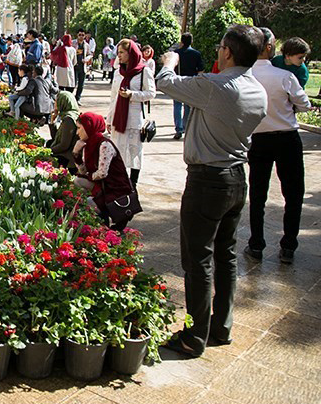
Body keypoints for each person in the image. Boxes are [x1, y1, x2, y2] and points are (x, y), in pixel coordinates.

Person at [156, 24, 267, 359]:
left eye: (221, 46)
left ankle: (194, 337)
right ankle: (221, 326)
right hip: (236, 179)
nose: (219, 50)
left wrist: (169, 61)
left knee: (198, 260)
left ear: (227, 52)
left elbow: (165, 83)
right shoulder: (257, 90)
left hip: (207, 181)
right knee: (226, 255)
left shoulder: (216, 86)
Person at [245, 37, 311, 264]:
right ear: (269, 47)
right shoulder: (284, 76)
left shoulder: (246, 76)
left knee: (257, 194)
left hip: (258, 139)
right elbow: (304, 104)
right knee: (293, 194)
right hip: (286, 138)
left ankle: (256, 244)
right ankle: (289, 246)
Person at [72, 112, 136, 231]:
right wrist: (76, 154)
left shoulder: (104, 144)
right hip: (103, 184)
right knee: (78, 181)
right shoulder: (89, 144)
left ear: (88, 127)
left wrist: (88, 175)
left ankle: (104, 222)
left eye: (79, 128)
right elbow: (83, 171)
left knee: (89, 202)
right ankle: (101, 211)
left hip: (115, 187)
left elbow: (102, 173)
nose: (77, 132)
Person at [106, 39, 155, 188]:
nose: (119, 56)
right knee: (117, 151)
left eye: (122, 52)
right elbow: (113, 97)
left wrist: (132, 94)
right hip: (118, 118)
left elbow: (151, 93)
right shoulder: (118, 73)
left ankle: (133, 183)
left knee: (134, 151)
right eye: (118, 52)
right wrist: (109, 119)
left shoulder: (143, 71)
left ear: (131, 53)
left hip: (134, 118)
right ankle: (119, 182)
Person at [173, 33, 205, 140]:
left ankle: (178, 129)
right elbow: (200, 70)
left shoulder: (176, 53)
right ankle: (185, 127)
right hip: (190, 82)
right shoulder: (196, 54)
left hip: (178, 81)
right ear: (192, 41)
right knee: (188, 106)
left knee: (177, 106)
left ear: (181, 41)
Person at [48, 91, 80, 172]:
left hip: (67, 158)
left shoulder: (69, 119)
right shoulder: (67, 115)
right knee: (49, 143)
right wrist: (52, 122)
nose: (55, 103)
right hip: (65, 153)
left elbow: (64, 145)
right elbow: (55, 138)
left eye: (56, 101)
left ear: (62, 102)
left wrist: (47, 151)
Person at [74, 29, 90, 102]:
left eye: (83, 35)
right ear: (77, 35)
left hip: (82, 66)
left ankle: (78, 98)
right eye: (79, 35)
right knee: (73, 83)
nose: (81, 36)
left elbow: (90, 54)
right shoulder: (73, 43)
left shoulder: (86, 45)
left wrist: (87, 59)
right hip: (74, 66)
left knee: (81, 84)